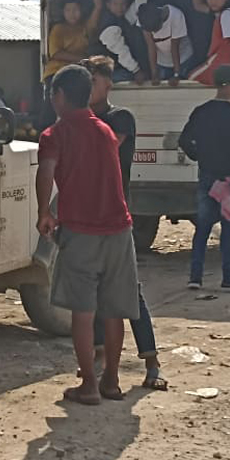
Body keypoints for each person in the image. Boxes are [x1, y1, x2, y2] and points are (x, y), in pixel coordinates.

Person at [36, 64, 138, 405]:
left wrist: (44, 212)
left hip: (80, 232)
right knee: (114, 311)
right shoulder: (106, 132)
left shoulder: (55, 135)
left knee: (83, 312)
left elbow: (46, 174)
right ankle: (111, 381)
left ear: (60, 97)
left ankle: (89, 385)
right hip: (119, 229)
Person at [83, 56, 167, 391]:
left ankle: (152, 361)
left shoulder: (119, 118)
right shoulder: (81, 120)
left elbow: (102, 150)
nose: (90, 87)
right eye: (85, 81)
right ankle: (102, 359)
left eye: (95, 80)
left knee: (129, 292)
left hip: (116, 217)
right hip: (87, 218)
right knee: (93, 292)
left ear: (108, 82)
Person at [178, 65, 230, 290]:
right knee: (229, 228)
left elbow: (184, 141)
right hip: (228, 180)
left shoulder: (200, 112)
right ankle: (229, 278)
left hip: (207, 177)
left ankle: (195, 278)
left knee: (202, 228)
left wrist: (200, 156)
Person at [43, 0, 104, 83]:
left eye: (76, 9)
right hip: (56, 74)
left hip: (78, 75)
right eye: (68, 10)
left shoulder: (85, 27)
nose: (72, 14)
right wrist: (84, 59)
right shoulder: (59, 29)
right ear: (63, 12)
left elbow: (98, 6)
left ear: (82, 10)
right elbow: (56, 53)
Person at [98, 0, 151, 83]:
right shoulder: (109, 27)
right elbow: (121, 52)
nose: (120, 7)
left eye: (123, 4)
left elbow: (139, 6)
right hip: (113, 73)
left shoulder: (123, 18)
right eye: (115, 4)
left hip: (127, 68)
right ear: (108, 5)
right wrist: (136, 71)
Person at [137, 0, 194, 86]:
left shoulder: (176, 15)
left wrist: (176, 74)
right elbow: (151, 46)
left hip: (183, 59)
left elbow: (174, 48)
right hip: (162, 62)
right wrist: (154, 74)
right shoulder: (144, 17)